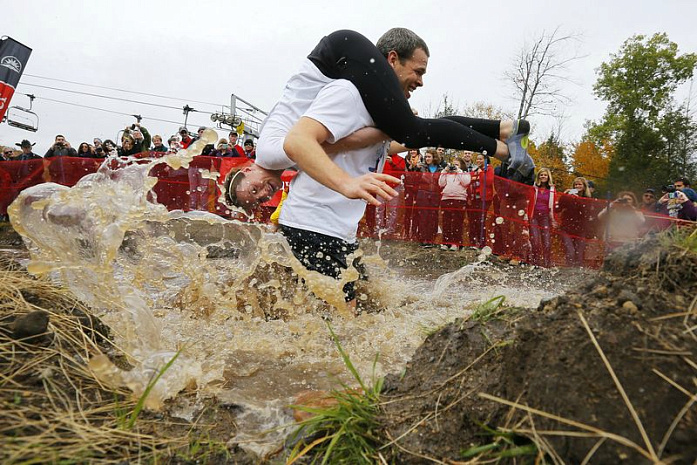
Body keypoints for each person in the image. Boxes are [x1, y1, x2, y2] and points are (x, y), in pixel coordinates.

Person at [254, 28, 534, 185]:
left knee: (411, 130)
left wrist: (375, 136)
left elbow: (311, 145)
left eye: (252, 192)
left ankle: (505, 151)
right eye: (419, 72)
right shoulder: (271, 152)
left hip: (341, 52)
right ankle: (504, 129)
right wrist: (385, 130)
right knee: (413, 128)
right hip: (340, 54)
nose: (262, 195)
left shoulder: (269, 156)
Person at [557, 177, 594, 267]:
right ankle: (568, 273)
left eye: (580, 184)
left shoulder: (588, 199)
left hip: (581, 229)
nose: (577, 186)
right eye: (576, 185)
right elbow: (558, 208)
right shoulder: (569, 197)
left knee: (579, 254)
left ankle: (578, 275)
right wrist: (564, 196)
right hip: (567, 227)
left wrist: (577, 199)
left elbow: (586, 212)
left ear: (584, 186)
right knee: (570, 251)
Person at [438, 157, 470, 250]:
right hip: (446, 199)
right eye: (453, 164)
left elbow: (466, 182)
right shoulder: (447, 174)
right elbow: (441, 183)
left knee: (457, 222)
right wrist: (444, 170)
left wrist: (458, 170)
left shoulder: (464, 173)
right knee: (446, 222)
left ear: (461, 166)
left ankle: (456, 243)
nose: (454, 166)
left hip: (459, 199)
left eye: (457, 164)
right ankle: (446, 242)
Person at [528, 168, 556, 267]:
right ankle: (536, 262)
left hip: (545, 217)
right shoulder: (534, 187)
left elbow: (554, 205)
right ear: (538, 177)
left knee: (547, 241)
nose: (543, 176)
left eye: (545, 175)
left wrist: (553, 219)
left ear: (548, 177)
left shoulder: (552, 189)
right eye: (541, 175)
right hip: (534, 216)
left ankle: (547, 262)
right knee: (535, 241)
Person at [414, 149, 442, 247]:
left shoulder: (441, 169)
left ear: (434, 157)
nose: (427, 159)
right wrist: (415, 169)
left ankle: (431, 239)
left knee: (433, 216)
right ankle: (423, 238)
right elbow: (414, 179)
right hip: (423, 194)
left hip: (435, 194)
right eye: (426, 157)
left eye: (429, 157)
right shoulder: (421, 167)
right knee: (423, 216)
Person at [467, 153, 494, 249]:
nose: (478, 161)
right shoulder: (474, 170)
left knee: (481, 220)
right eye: (477, 159)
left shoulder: (489, 169)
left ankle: (482, 243)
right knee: (473, 220)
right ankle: (473, 242)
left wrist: (481, 173)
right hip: (473, 199)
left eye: (481, 159)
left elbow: (489, 181)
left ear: (486, 160)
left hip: (484, 200)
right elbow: (469, 182)